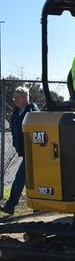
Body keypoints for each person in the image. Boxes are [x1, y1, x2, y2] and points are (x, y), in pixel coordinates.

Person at [1, 87, 39, 216]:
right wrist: (15, 143)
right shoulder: (16, 112)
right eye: (14, 98)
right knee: (33, 179)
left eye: (17, 97)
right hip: (25, 151)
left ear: (25, 98)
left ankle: (10, 206)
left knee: (20, 178)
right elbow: (14, 129)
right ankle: (38, 206)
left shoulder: (33, 111)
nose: (15, 100)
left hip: (34, 151)